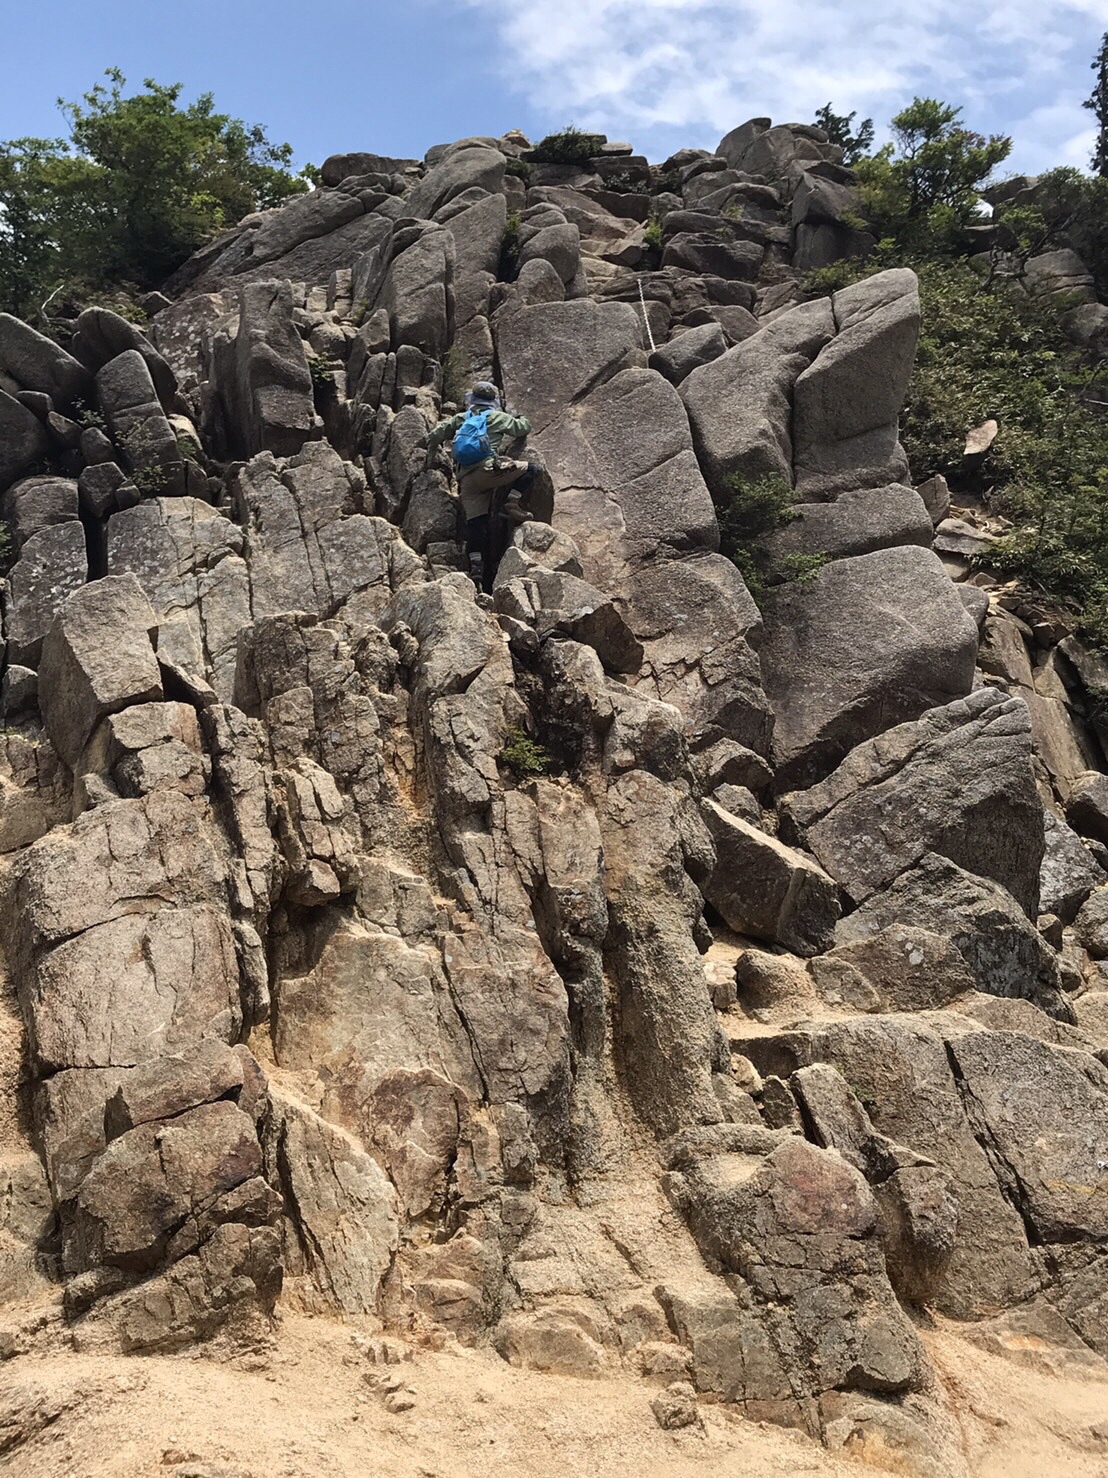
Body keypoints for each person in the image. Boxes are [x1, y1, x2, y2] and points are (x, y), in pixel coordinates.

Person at [425, 382, 536, 590]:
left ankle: (476, 568)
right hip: (489, 472)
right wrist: (521, 416)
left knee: (476, 525)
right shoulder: (496, 417)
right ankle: (512, 503)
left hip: (467, 481)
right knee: (531, 469)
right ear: (491, 401)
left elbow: (438, 433)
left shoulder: (462, 418)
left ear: (472, 399)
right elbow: (522, 428)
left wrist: (428, 448)